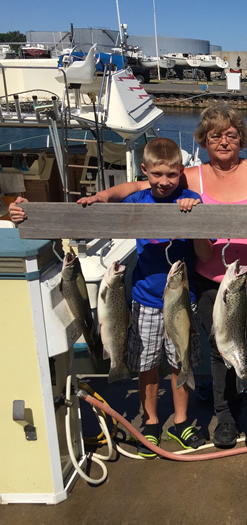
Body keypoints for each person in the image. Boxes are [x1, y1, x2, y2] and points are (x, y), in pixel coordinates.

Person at [72, 103, 247, 447]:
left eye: (231, 134)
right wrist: (104, 196)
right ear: (203, 141)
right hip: (213, 285)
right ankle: (226, 417)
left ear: (243, 138)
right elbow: (139, 187)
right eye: (214, 135)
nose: (223, 141)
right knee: (220, 351)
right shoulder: (191, 176)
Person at [10, 138, 213, 457]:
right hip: (145, 299)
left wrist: (196, 221)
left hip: (183, 300)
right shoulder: (140, 198)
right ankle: (151, 421)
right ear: (145, 171)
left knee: (180, 361)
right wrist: (101, 196)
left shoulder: (192, 199)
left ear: (181, 173)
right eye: (157, 174)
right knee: (147, 365)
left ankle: (182, 421)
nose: (164, 181)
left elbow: (204, 253)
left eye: (171, 175)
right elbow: (124, 190)